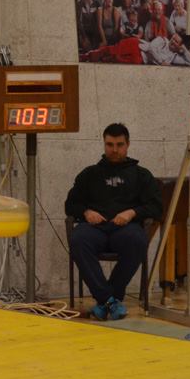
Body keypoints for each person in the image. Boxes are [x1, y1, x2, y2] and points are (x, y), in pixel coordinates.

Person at [65, 123, 162, 320]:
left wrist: (133, 212)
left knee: (138, 240)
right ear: (104, 144)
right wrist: (86, 211)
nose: (114, 149)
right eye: (110, 144)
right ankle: (110, 300)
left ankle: (106, 300)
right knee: (78, 239)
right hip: (95, 228)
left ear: (128, 145)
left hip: (125, 229)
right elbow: (70, 205)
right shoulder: (89, 174)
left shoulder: (142, 175)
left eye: (119, 144)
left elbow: (156, 207)